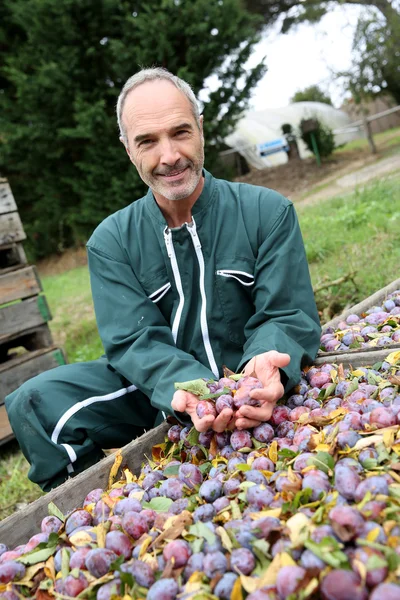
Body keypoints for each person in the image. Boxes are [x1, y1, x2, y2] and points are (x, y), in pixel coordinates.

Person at [5, 67, 321, 491]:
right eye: (148, 141)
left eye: (180, 132)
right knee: (35, 403)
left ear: (201, 129)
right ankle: (96, 513)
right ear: (127, 148)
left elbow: (286, 313)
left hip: (253, 384)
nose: (169, 155)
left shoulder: (267, 212)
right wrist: (184, 389)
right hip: (159, 396)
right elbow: (134, 342)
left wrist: (266, 370)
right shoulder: (111, 241)